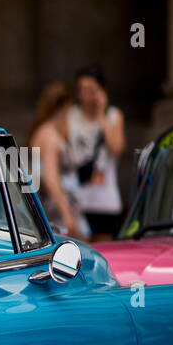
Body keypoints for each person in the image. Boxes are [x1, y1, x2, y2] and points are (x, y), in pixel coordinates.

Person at [66, 65, 125, 239]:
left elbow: (116, 148)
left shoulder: (113, 115)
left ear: (102, 90)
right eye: (82, 90)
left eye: (91, 90)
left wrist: (101, 113)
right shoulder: (71, 115)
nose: (86, 96)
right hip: (77, 200)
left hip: (105, 200)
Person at [28, 81, 90, 240]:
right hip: (56, 210)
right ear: (66, 106)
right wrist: (67, 215)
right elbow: (50, 176)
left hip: (52, 207)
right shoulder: (50, 135)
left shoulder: (44, 131)